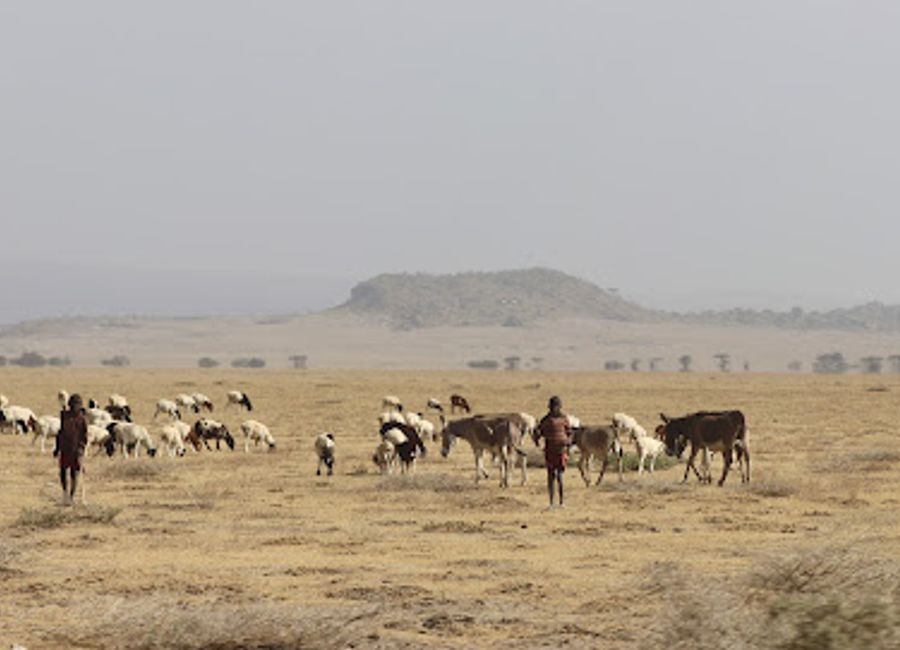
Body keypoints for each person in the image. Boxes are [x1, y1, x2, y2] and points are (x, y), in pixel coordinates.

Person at [536, 396, 572, 509]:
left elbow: (570, 432)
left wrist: (568, 441)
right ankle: (551, 502)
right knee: (551, 476)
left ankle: (562, 502)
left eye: (556, 406)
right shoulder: (546, 420)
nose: (554, 409)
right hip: (550, 450)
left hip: (561, 450)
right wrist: (538, 439)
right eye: (553, 406)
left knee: (560, 477)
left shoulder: (564, 419)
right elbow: (539, 432)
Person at [53, 393, 87, 505]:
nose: (75, 407)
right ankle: (65, 493)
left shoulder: (82, 419)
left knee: (74, 473)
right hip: (65, 448)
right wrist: (57, 448)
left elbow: (84, 436)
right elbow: (60, 433)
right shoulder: (64, 416)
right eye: (73, 405)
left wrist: (81, 449)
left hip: (76, 449)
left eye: (77, 405)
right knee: (63, 471)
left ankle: (71, 496)